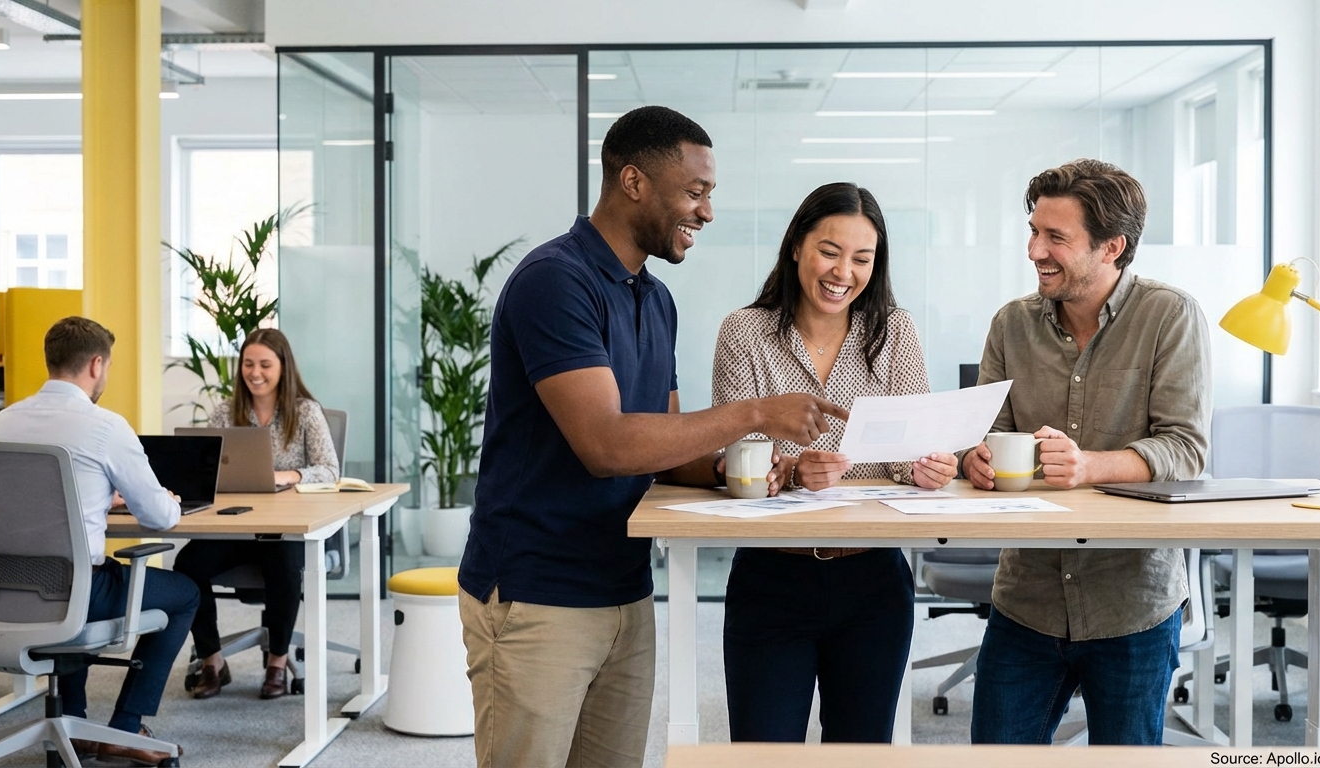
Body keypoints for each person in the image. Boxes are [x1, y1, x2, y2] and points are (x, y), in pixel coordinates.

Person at [458, 105, 848, 768]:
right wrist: (756, 413)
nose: (706, 212)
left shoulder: (654, 297)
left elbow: (666, 444)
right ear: (634, 182)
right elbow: (606, 444)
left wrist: (733, 471)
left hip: (625, 586)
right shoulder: (555, 282)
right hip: (537, 593)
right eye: (695, 193)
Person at [962, 159, 1212, 745]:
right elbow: (984, 433)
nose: (1033, 250)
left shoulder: (1168, 315)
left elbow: (1186, 448)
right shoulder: (1011, 324)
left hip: (1131, 600)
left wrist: (1090, 465)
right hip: (1027, 597)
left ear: (1111, 247)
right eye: (1033, 231)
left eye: (1055, 237)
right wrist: (973, 459)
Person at [711, 182, 958, 743]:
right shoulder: (744, 332)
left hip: (872, 578)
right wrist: (794, 472)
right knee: (763, 753)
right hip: (773, 576)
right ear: (797, 245)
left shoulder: (894, 333)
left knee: (861, 752)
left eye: (862, 258)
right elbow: (739, 460)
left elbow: (908, 451)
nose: (843, 271)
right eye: (829, 250)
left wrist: (924, 467)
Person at [0, 316, 198, 766]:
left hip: (0, 591)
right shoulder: (105, 426)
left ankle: (76, 721)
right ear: (97, 364)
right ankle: (124, 728)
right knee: (184, 593)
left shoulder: (4, 421)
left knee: (72, 572)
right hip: (75, 593)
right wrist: (172, 500)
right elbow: (159, 518)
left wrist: (95, 500)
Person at [173, 327, 339, 700]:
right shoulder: (225, 413)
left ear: (284, 367)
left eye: (265, 364)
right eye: (248, 364)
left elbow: (330, 470)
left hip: (284, 531)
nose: (255, 372)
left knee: (283, 566)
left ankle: (277, 664)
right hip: (235, 528)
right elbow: (202, 470)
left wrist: (290, 475)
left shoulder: (304, 412)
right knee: (187, 568)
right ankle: (213, 660)